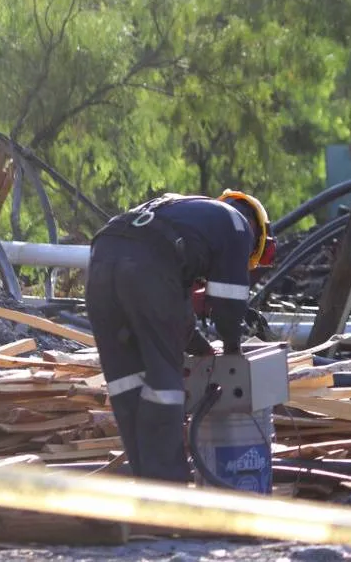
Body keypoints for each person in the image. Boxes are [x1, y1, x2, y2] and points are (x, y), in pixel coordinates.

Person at [85, 189, 274, 483]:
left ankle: (146, 488)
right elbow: (229, 303)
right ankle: (169, 492)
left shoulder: (180, 213)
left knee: (126, 384)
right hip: (146, 265)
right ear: (257, 234)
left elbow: (175, 309)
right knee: (164, 383)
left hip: (101, 260)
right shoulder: (238, 226)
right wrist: (232, 352)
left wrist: (200, 348)